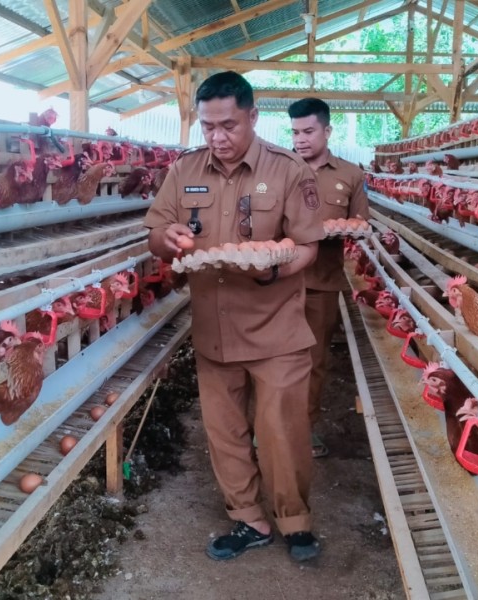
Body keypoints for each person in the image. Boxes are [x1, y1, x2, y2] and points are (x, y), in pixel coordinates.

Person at [143, 72, 325, 562]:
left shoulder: (288, 170)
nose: (218, 138)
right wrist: (170, 239)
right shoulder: (184, 170)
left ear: (252, 116)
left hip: (275, 329)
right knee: (225, 434)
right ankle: (250, 520)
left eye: (228, 125)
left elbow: (308, 245)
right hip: (213, 329)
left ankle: (295, 521)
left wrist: (274, 267)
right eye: (208, 127)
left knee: (280, 431)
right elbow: (156, 231)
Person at [288, 98, 370, 458]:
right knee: (270, 357)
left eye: (308, 131)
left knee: (314, 360)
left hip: (321, 282)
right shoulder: (279, 168)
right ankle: (266, 428)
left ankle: (303, 430)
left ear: (327, 131)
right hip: (276, 282)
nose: (300, 139)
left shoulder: (351, 175)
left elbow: (360, 224)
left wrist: (343, 231)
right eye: (294, 132)